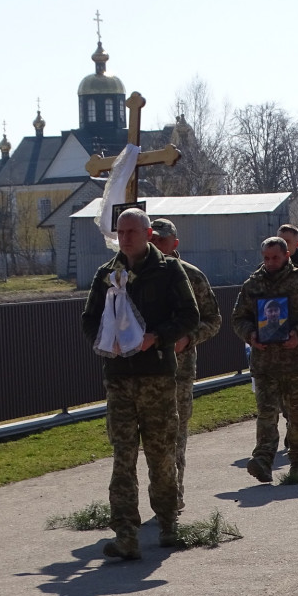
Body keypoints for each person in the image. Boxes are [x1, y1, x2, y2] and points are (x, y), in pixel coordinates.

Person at [81, 208, 200, 559]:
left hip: (158, 376)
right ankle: (126, 533)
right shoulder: (107, 274)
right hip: (120, 378)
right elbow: (89, 319)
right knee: (123, 456)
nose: (126, 237)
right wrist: (104, 341)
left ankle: (167, 523)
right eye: (121, 231)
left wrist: (156, 338)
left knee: (161, 454)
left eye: (133, 231)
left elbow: (190, 316)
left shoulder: (169, 270)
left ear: (148, 234)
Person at [232, 236, 298, 483]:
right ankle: (263, 460)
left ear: (287, 255)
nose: (270, 262)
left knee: (296, 415)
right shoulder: (252, 286)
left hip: (296, 362)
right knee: (266, 414)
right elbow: (238, 318)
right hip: (265, 362)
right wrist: (250, 334)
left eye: (275, 257)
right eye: (266, 258)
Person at [149, 218, 222, 513]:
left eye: (161, 240)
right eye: (151, 239)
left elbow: (214, 320)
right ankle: (156, 495)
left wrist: (189, 339)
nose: (156, 245)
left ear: (174, 244)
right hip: (143, 369)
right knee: (150, 436)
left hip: (178, 370)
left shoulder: (191, 277)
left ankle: (172, 496)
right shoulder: (133, 275)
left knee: (175, 433)